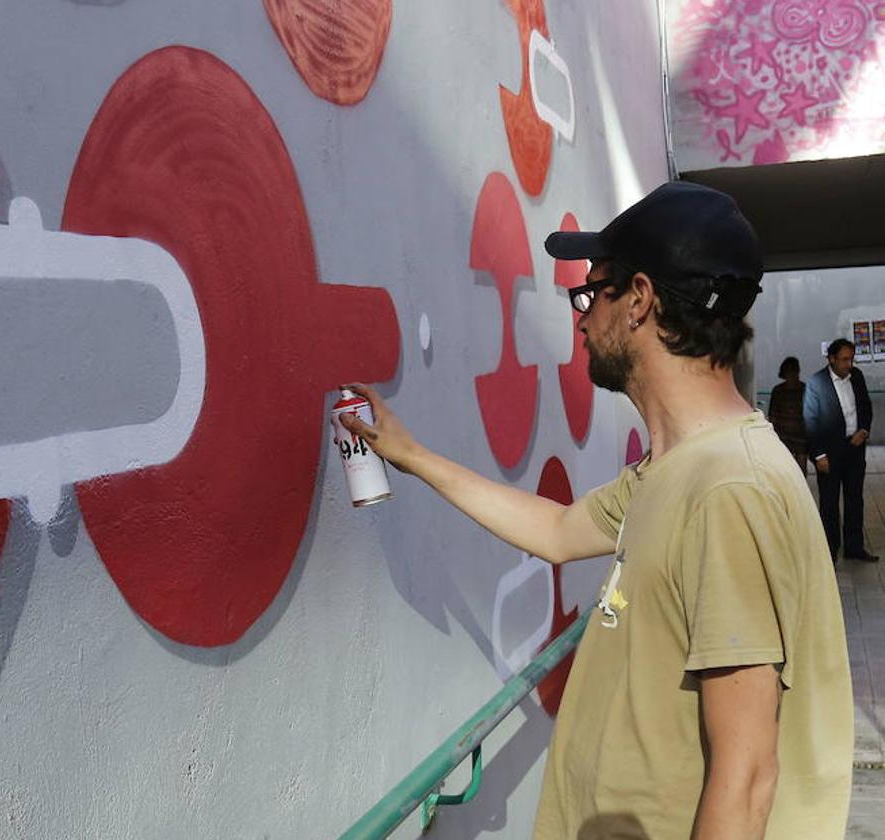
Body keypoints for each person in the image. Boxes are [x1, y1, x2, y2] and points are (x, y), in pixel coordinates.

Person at [342, 182, 851, 838]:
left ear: (639, 299)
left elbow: (747, 776)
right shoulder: (676, 470)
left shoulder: (726, 492)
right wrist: (409, 453)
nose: (579, 317)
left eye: (591, 292)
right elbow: (554, 532)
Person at [804, 338, 877, 562]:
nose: (849, 364)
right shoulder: (816, 382)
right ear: (831, 359)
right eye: (844, 359)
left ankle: (854, 548)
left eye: (851, 359)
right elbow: (810, 420)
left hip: (854, 448)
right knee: (829, 502)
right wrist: (819, 455)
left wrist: (863, 429)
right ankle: (830, 550)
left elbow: (865, 405)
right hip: (829, 453)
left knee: (855, 498)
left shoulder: (857, 377)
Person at [767, 356, 808, 473]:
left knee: (798, 469)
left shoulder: (805, 389)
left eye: (793, 372)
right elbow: (773, 415)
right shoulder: (779, 391)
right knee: (787, 469)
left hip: (799, 435)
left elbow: (772, 415)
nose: (791, 375)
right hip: (785, 435)